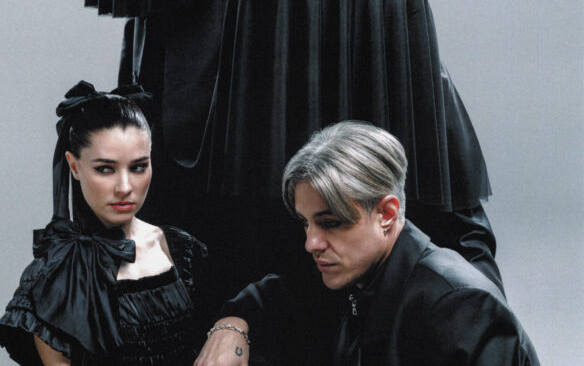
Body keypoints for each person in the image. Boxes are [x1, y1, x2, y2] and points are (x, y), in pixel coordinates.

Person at [195, 121, 539, 366]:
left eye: (331, 223)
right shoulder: (357, 275)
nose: (311, 243)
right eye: (306, 223)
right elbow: (278, 295)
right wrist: (233, 325)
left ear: (386, 213)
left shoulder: (460, 305)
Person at [0, 81, 212, 365]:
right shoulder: (53, 277)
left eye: (138, 167)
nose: (125, 187)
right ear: (74, 166)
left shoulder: (180, 249)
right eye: (105, 169)